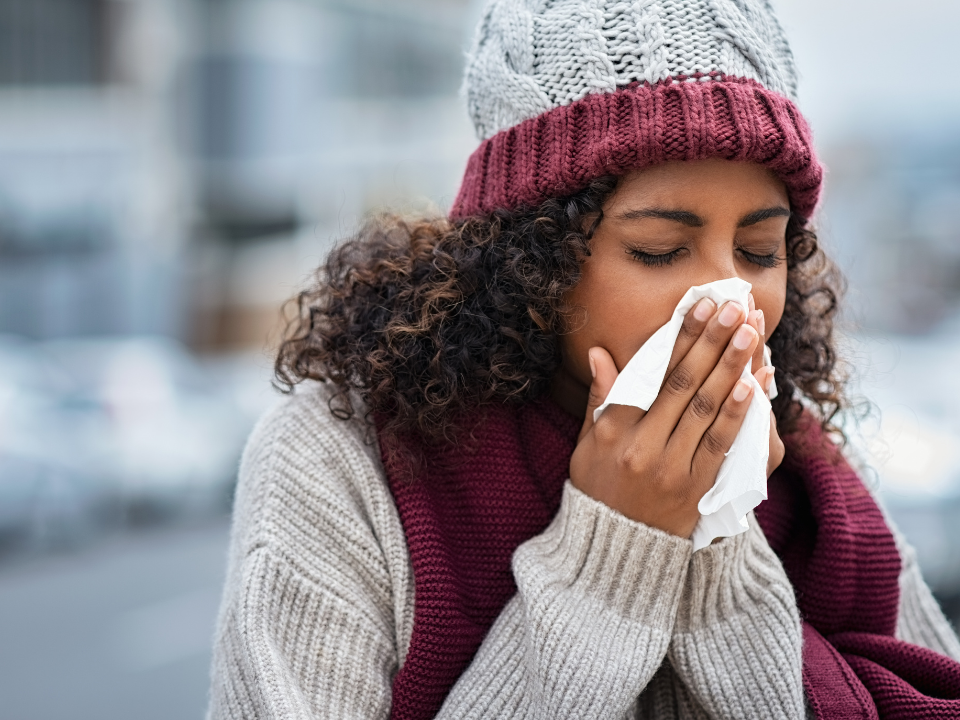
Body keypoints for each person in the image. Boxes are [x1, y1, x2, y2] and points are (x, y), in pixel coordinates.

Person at [207, 1, 960, 718]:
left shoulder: (810, 478)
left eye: (760, 250)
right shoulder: (344, 458)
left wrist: (717, 532)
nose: (729, 301)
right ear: (532, 259)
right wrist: (617, 553)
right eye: (659, 250)